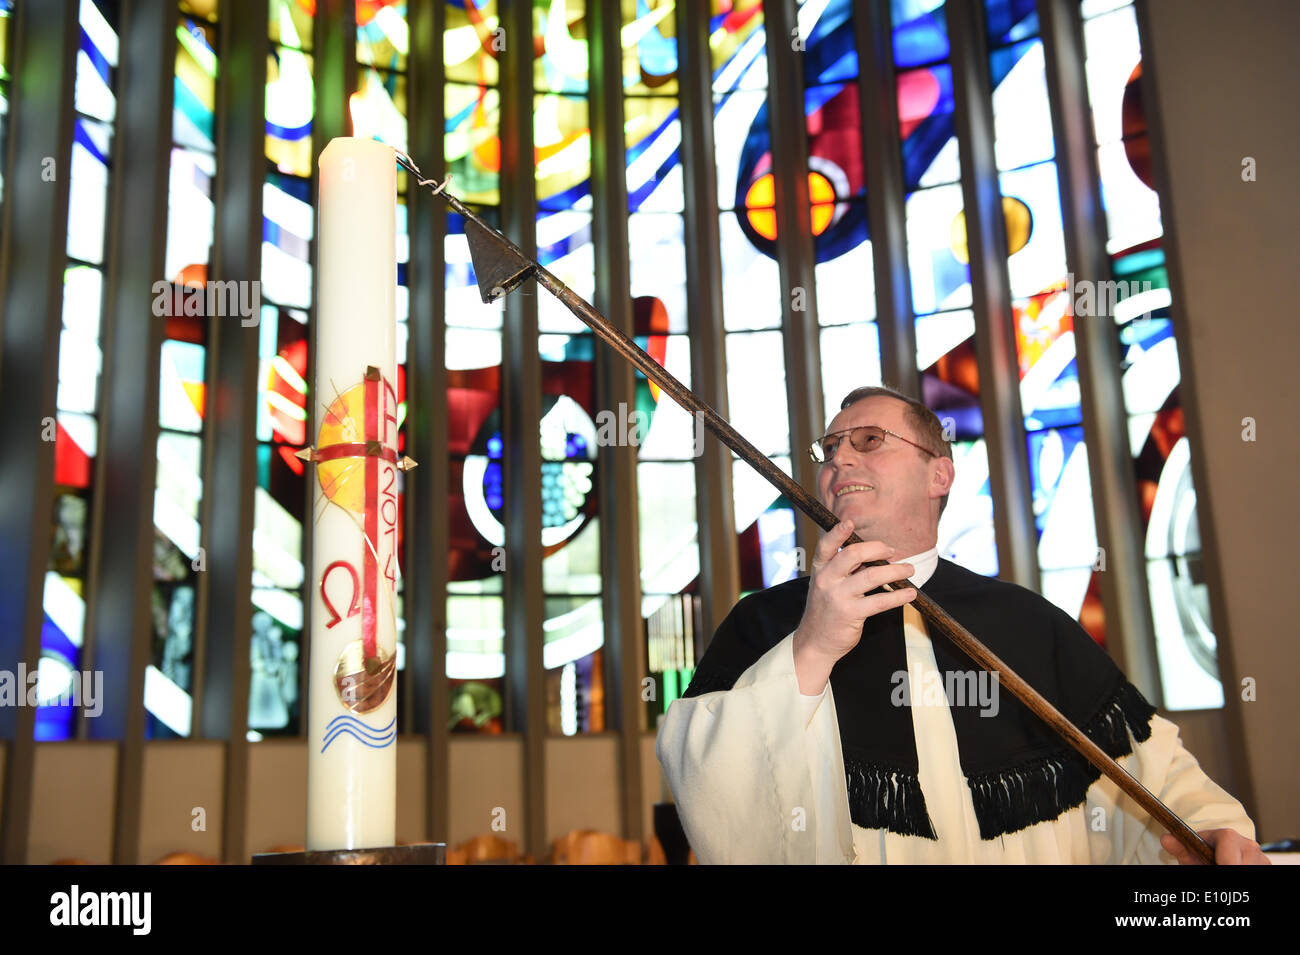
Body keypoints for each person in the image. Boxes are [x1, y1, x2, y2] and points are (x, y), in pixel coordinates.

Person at [656, 385, 1267, 865]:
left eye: (869, 440)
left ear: (939, 475)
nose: (838, 456)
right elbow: (710, 792)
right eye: (829, 447)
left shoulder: (1027, 623)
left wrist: (1210, 831)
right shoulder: (764, 623)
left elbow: (1154, 777)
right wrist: (811, 647)